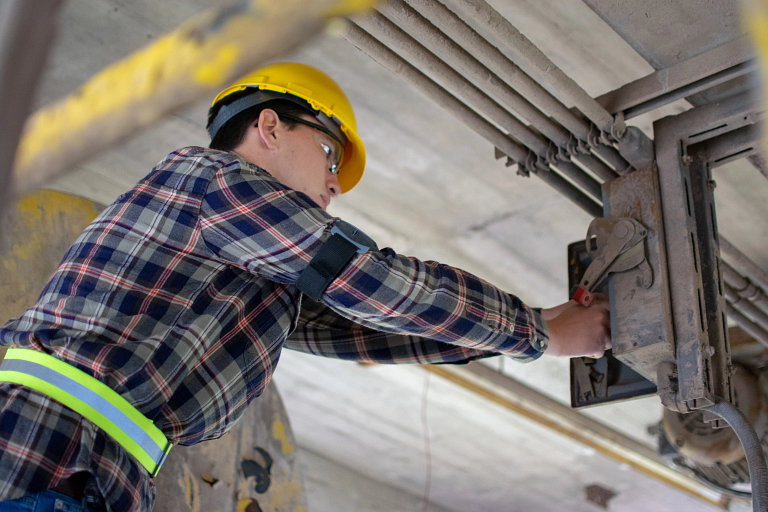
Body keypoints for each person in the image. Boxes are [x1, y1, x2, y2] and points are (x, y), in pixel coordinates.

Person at [0, 62, 610, 512]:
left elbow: (373, 329)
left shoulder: (259, 274)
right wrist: (539, 334)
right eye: (328, 153)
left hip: (95, 470)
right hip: (42, 442)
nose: (334, 183)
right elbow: (369, 279)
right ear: (269, 127)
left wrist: (534, 327)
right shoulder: (212, 178)